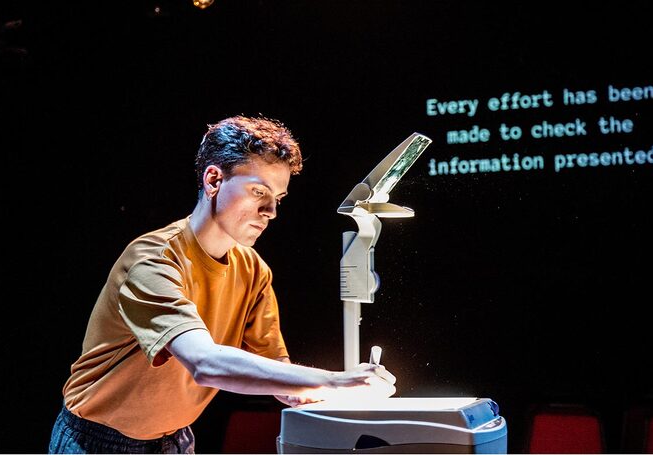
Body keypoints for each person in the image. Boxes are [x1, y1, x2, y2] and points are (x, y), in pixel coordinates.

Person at [48, 115, 396, 454]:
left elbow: (284, 382)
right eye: (259, 191)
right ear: (213, 180)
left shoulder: (254, 270)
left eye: (279, 197)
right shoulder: (153, 259)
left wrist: (348, 391)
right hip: (96, 442)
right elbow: (205, 363)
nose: (271, 210)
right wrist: (335, 379)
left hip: (175, 440)